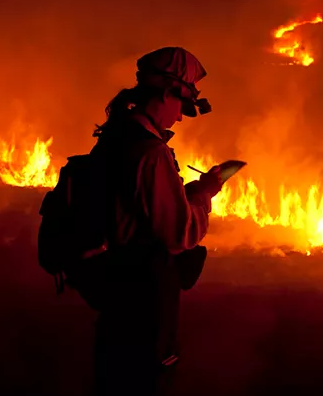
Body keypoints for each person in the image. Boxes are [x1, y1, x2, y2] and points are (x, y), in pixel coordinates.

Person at [89, 47, 224, 396]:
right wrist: (204, 194)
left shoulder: (116, 136)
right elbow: (180, 233)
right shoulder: (150, 152)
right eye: (181, 106)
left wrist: (185, 193)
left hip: (116, 295)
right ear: (166, 93)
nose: (180, 117)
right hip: (143, 304)